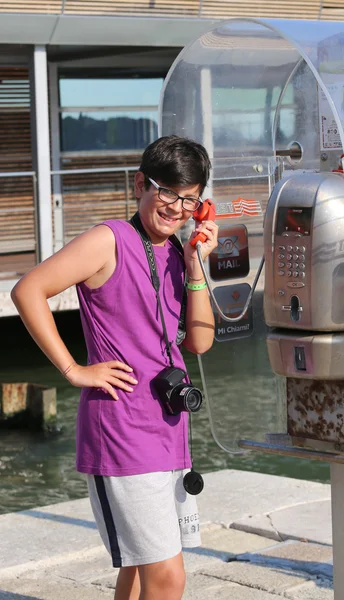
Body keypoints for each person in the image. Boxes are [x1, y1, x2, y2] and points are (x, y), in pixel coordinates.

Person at [11, 135, 218, 600]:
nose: (177, 207)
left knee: (140, 571)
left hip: (168, 428)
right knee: (168, 579)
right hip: (123, 431)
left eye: (190, 199)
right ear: (140, 184)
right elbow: (28, 290)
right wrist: (73, 369)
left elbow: (200, 341)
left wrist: (196, 263)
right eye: (166, 192)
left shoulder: (176, 254)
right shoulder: (109, 240)